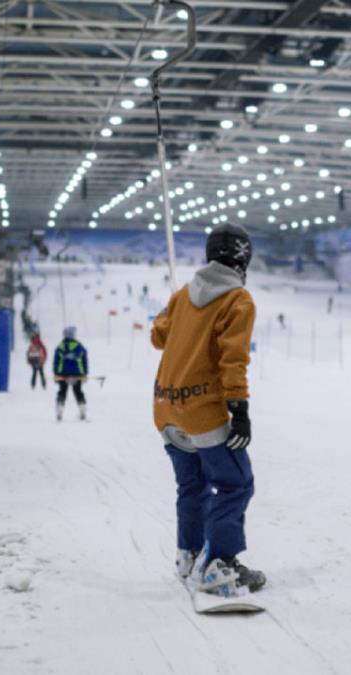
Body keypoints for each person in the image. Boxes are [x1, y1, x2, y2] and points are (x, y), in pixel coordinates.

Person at [151, 223, 265, 597]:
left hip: (167, 408)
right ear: (243, 258)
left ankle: (191, 553)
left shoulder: (184, 295)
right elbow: (234, 360)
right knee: (234, 484)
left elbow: (158, 337)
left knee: (192, 484)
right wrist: (240, 409)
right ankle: (220, 564)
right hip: (202, 409)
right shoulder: (238, 299)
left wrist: (171, 308)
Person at [53, 326, 88, 420]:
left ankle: (59, 410)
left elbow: (56, 362)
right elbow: (84, 360)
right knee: (78, 391)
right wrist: (85, 373)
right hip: (78, 373)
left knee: (62, 391)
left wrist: (55, 374)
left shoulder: (60, 347)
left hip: (62, 373)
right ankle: (82, 410)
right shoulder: (79, 346)